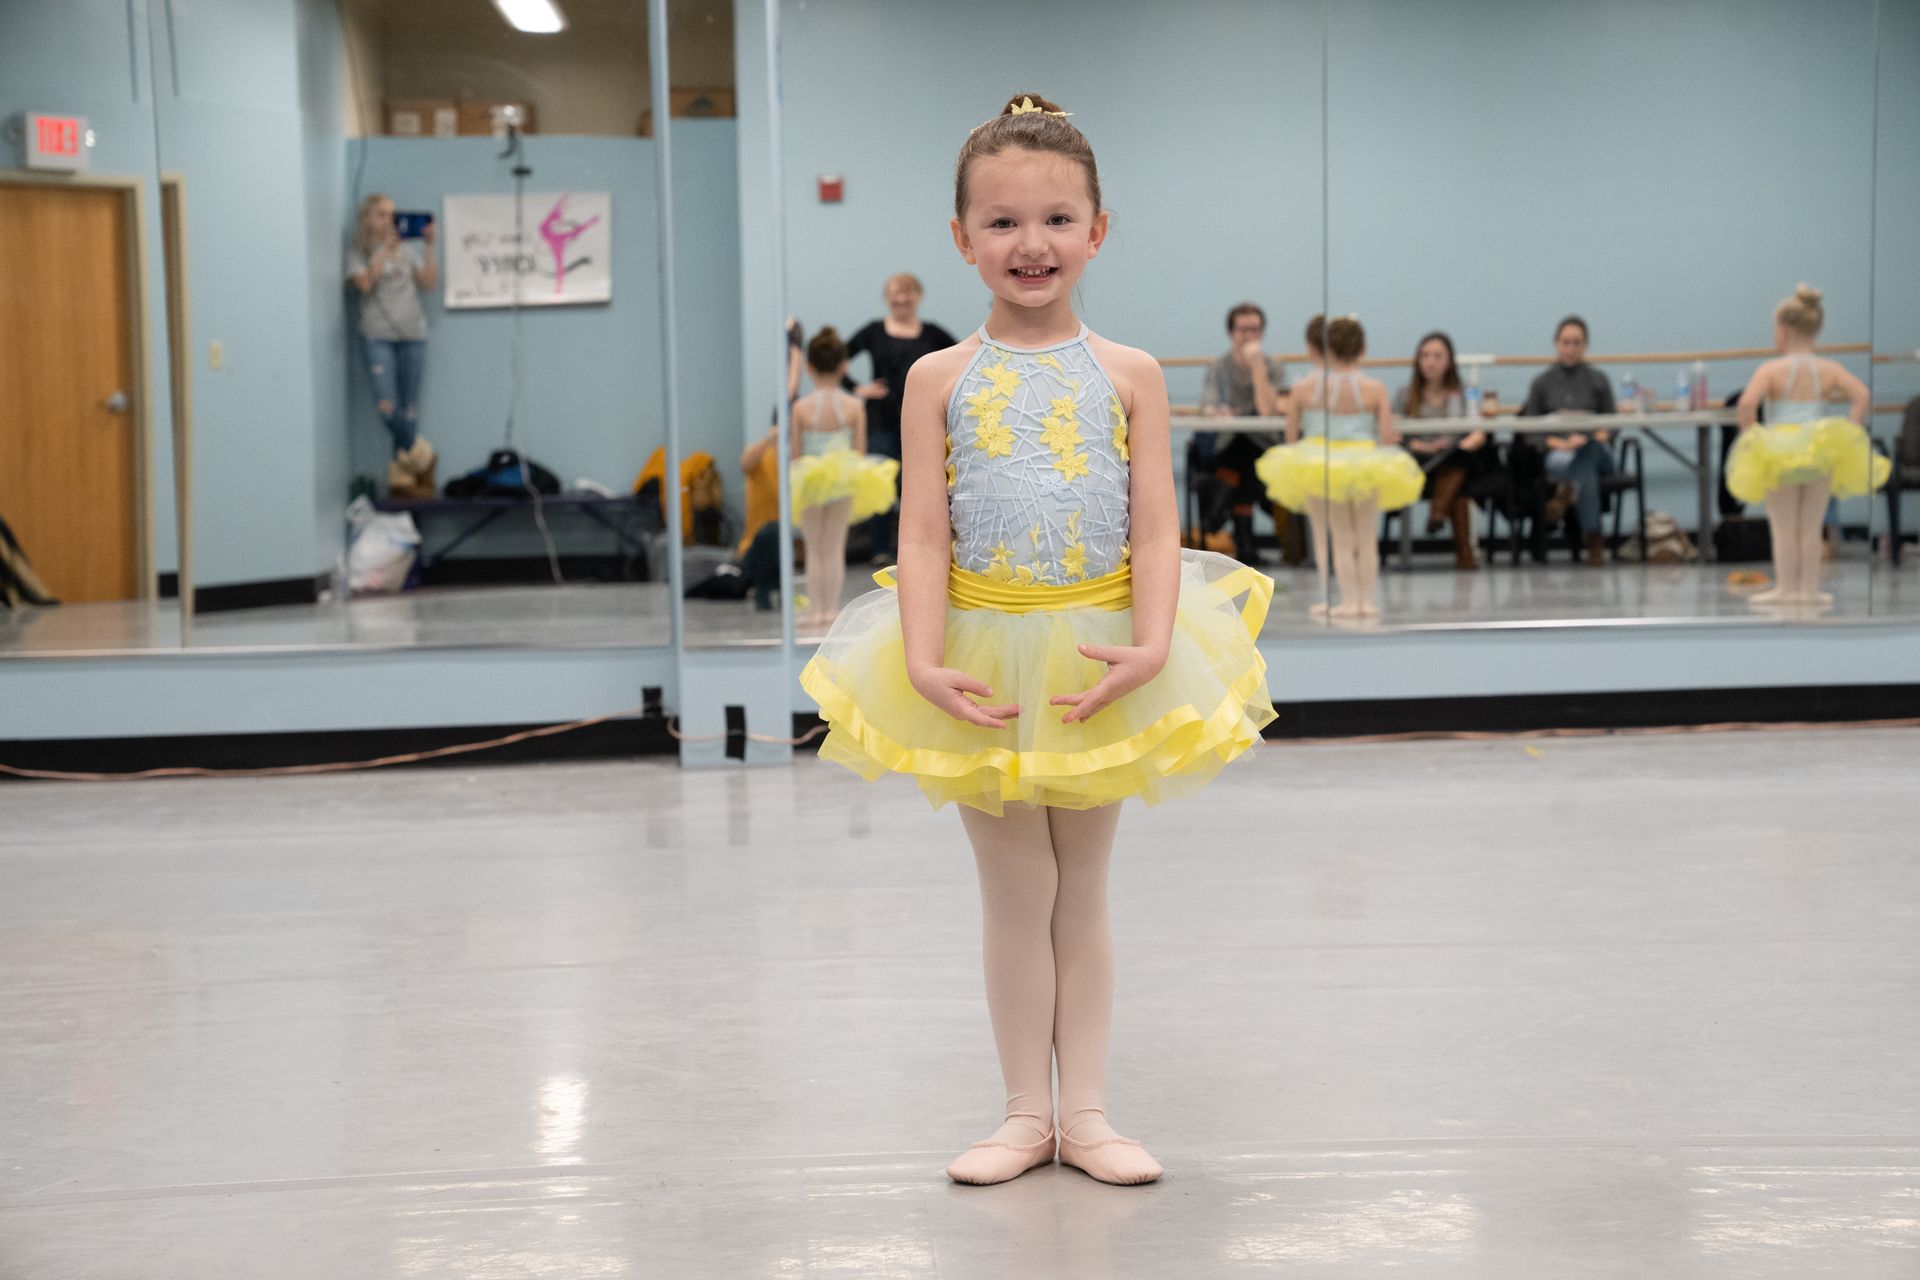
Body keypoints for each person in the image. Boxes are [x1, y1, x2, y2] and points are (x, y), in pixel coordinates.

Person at [798, 93, 1275, 1188]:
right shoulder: (936, 377)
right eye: (1003, 222)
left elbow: (1159, 524)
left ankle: (1091, 1112)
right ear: (962, 238)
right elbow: (921, 530)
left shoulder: (1131, 373)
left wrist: (1154, 643)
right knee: (1015, 884)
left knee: (1085, 881)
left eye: (1057, 219)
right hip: (979, 653)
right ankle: (1024, 1111)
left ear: (1098, 231)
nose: (1031, 243)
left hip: (1102, 653)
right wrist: (921, 656)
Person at [1729, 285, 1886, 606]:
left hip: (1779, 453)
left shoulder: (1771, 370)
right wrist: (1848, 433)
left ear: (1784, 331)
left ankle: (1786, 589)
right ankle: (1810, 591)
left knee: (1784, 527)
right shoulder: (1829, 369)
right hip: (1819, 450)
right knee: (1811, 527)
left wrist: (1752, 439)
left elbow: (1746, 405)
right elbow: (1862, 396)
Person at [1256, 316, 1424, 618]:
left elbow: (1291, 436)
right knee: (1365, 536)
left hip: (1321, 462)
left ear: (1326, 350)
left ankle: (1337, 599)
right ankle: (1365, 601)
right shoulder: (1375, 388)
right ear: (1363, 349)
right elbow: (1387, 437)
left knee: (1330, 536)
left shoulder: (1304, 387)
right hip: (1366, 463)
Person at [844, 275, 961, 563]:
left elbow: (960, 358)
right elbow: (838, 358)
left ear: (918, 296)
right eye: (896, 292)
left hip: (922, 420)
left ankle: (915, 546)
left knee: (918, 484)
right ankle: (880, 548)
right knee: (881, 485)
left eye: (908, 292)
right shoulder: (874, 331)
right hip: (881, 421)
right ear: (887, 296)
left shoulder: (932, 334)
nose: (902, 298)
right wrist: (857, 388)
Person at [791, 328, 898, 628]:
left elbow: (796, 454)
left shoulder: (801, 408)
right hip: (842, 480)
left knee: (815, 548)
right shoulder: (853, 406)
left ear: (809, 368)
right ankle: (830, 609)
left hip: (809, 480)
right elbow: (859, 450)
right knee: (835, 546)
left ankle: (815, 611)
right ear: (843, 367)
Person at [347, 194, 438, 498]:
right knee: (388, 409)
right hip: (377, 337)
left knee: (409, 410)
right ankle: (423, 456)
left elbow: (428, 282)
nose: (389, 220)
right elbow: (364, 284)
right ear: (368, 219)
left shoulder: (408, 249)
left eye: (391, 214)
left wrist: (428, 247)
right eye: (381, 215)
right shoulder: (359, 250)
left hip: (413, 335)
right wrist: (383, 252)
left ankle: (402, 480)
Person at [1394, 331, 1500, 570]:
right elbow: (1394, 434)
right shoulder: (1404, 394)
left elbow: (1478, 433)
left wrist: (1458, 445)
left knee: (1460, 460)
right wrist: (1421, 445)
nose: (1430, 362)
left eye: (1437, 356)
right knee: (1458, 485)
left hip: (1454, 457)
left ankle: (1437, 515)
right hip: (1420, 461)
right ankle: (1463, 554)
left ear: (1449, 360)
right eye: (1425, 355)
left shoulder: (1466, 392)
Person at [1518, 315, 1617, 564]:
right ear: (1556, 344)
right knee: (1585, 470)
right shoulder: (1541, 383)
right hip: (1559, 452)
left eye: (1577, 342)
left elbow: (1612, 422)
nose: (1571, 348)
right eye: (1566, 342)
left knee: (1590, 452)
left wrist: (1601, 435)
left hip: (1597, 448)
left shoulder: (1599, 380)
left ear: (1585, 346)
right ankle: (1594, 537)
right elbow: (1531, 431)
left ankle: (1568, 493)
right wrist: (1562, 443)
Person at [1197, 302, 1288, 564]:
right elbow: (1208, 406)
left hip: (1264, 444)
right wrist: (1219, 411)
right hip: (1229, 443)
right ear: (1231, 333)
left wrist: (1258, 368)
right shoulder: (1218, 368)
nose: (1249, 336)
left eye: (1255, 330)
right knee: (1240, 454)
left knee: (1243, 461)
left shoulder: (1272, 367)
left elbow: (1267, 410)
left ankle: (1221, 515)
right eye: (1243, 330)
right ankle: (1246, 549)